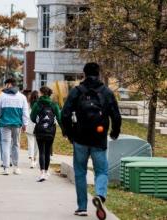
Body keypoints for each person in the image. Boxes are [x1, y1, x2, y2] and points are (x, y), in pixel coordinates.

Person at [61, 62, 121, 219]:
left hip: (80, 138)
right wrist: (114, 132)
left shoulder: (77, 91)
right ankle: (100, 195)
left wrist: (67, 132)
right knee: (101, 171)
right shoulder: (106, 92)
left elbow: (65, 113)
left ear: (84, 74)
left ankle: (82, 208)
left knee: (80, 172)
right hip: (99, 139)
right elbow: (116, 115)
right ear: (99, 73)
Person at [0, 78, 29, 175]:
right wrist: (25, 124)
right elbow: (25, 112)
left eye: (5, 84)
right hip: (17, 124)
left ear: (8, 84)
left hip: (4, 124)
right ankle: (16, 167)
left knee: (5, 144)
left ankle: (6, 168)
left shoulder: (1, 96)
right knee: (16, 144)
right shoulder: (22, 97)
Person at [30, 86, 61, 182]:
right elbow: (59, 118)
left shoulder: (37, 104)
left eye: (39, 92)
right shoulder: (54, 104)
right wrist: (65, 131)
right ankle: (47, 171)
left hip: (40, 130)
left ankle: (42, 172)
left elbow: (32, 117)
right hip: (51, 131)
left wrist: (38, 122)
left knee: (41, 152)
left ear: (42, 93)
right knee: (47, 151)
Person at [26, 90, 39, 168]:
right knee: (36, 144)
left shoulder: (28, 105)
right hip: (37, 126)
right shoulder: (39, 105)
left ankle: (31, 161)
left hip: (29, 126)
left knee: (30, 144)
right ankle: (35, 159)